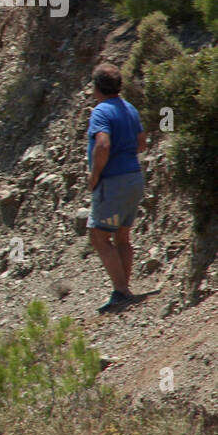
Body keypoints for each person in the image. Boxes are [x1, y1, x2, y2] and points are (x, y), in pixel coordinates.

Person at [86, 62, 147, 311]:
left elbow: (102, 145)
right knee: (122, 236)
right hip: (134, 178)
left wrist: (95, 174)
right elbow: (142, 143)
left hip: (113, 183)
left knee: (99, 236)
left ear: (97, 87)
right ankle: (123, 288)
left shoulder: (101, 111)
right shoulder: (129, 108)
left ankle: (121, 291)